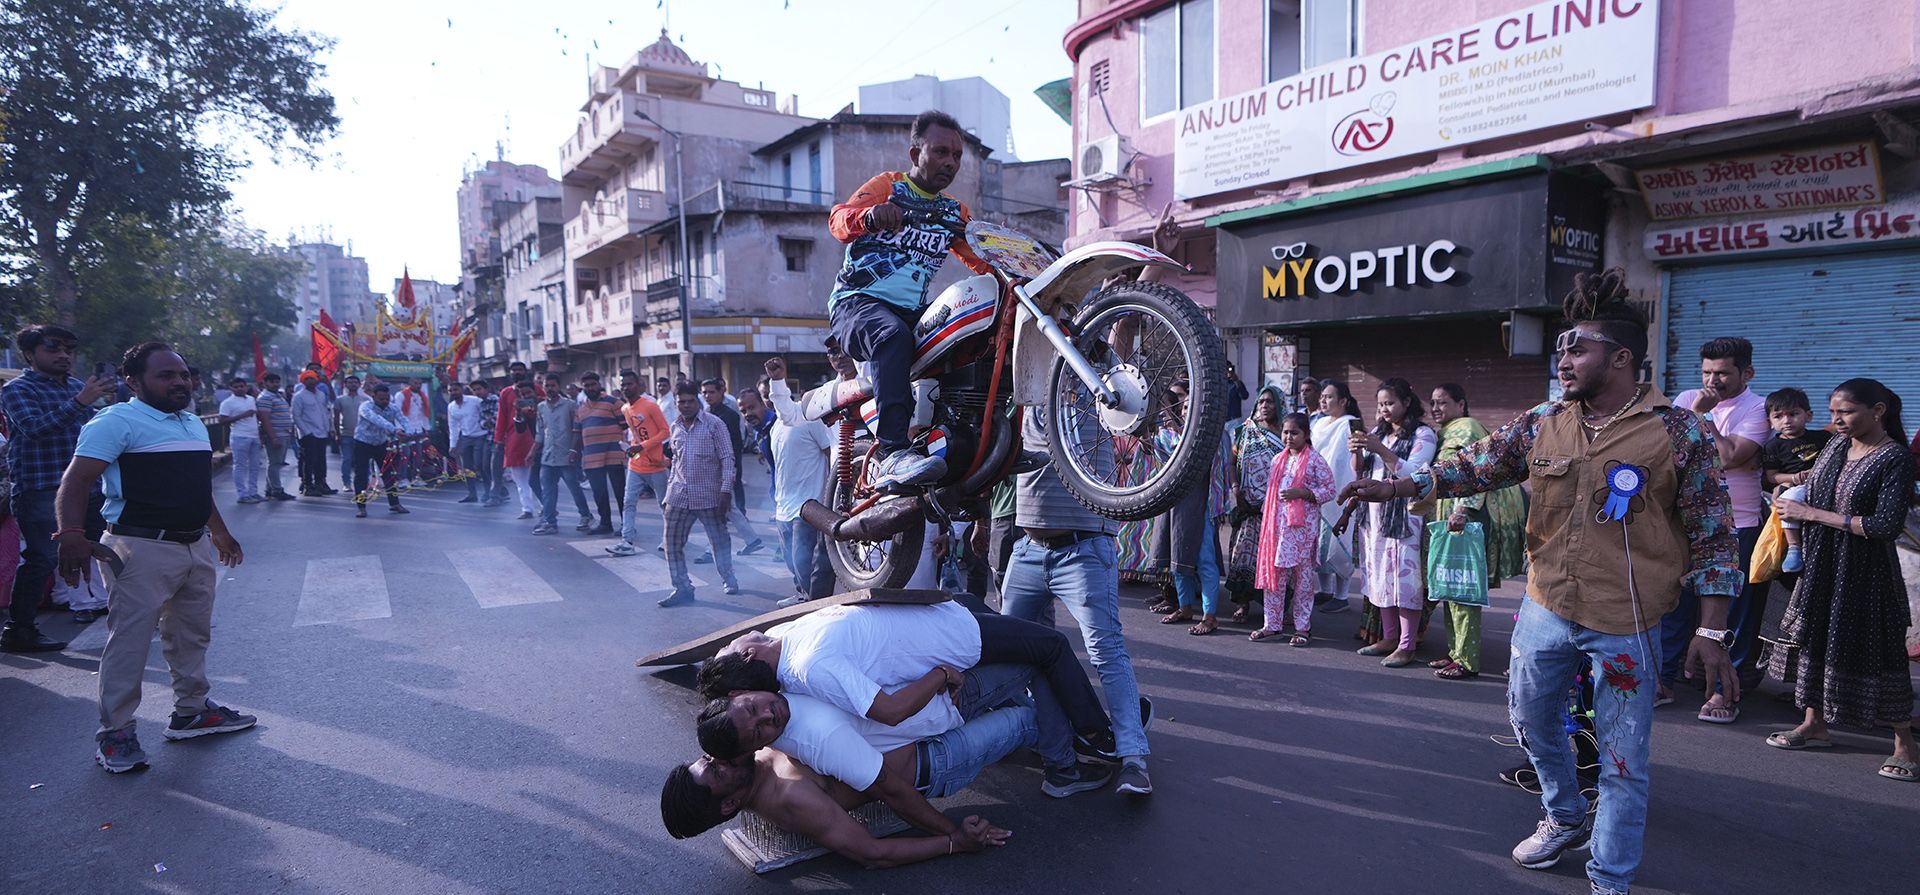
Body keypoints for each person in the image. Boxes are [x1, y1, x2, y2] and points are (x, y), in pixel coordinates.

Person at [1340, 270, 1741, 895]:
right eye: (1560, 348)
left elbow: (1715, 536)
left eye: (1577, 349)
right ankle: (1563, 813)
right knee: (1530, 722)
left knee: (1622, 760)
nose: (1563, 359)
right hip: (1545, 603)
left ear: (1621, 358)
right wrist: (1394, 485)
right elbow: (1476, 466)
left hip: (1625, 620)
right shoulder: (1545, 418)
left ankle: (1610, 878)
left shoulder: (1678, 432)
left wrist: (1712, 629)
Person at [54, 342, 251, 772]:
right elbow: (76, 479)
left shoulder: (193, 424)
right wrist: (70, 534)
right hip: (139, 547)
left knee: (190, 634)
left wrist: (219, 532)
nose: (179, 382)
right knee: (130, 640)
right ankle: (116, 732)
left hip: (193, 544)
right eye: (165, 375)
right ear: (133, 381)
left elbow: (197, 488)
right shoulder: (115, 421)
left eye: (182, 375)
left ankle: (191, 712)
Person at [697, 599, 1116, 794]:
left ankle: (1063, 737)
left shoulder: (779, 644)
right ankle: (1092, 739)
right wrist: (938, 676)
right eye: (734, 643)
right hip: (954, 644)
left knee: (1021, 645)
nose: (739, 633)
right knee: (1049, 648)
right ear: (748, 656)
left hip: (942, 618)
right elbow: (890, 711)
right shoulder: (811, 666)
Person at [825, 109, 993, 491]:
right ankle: (891, 453)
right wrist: (870, 217)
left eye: (956, 155)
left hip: (912, 312)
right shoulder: (889, 186)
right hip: (858, 303)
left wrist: (1016, 266)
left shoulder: (954, 212)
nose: (950, 162)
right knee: (892, 337)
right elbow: (838, 221)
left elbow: (982, 259)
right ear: (915, 154)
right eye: (940, 152)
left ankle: (979, 441)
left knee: (972, 339)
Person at [1766, 378, 1917, 783]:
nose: (1837, 421)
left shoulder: (1895, 458)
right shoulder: (1834, 446)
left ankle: (1905, 744)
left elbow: (1885, 526)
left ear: (1878, 411)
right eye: (1833, 413)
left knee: (1881, 652)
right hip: (1822, 564)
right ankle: (1814, 724)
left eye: (1846, 412)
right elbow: (1812, 491)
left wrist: (1814, 516)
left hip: (1867, 574)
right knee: (1815, 639)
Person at [1001, 402, 1154, 796]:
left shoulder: (1100, 402)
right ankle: (1050, 735)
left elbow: (1114, 348)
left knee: (1106, 651)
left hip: (1083, 551)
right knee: (1011, 652)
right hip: (1028, 550)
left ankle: (1134, 758)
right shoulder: (1029, 397)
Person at [661, 711, 1020, 866]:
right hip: (935, 757)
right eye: (716, 769)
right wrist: (954, 843)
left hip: (918, 724)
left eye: (709, 757)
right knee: (1022, 718)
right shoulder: (789, 797)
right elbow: (870, 854)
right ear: (729, 805)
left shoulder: (749, 757)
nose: (719, 757)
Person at [1661, 337, 1772, 723]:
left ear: (1747, 373)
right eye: (1707, 371)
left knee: (1730, 616)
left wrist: (1702, 416)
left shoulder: (1759, 408)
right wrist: (1696, 411)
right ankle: (1663, 681)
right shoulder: (1687, 396)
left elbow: (1726, 457)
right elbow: (1668, 450)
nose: (1713, 380)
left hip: (1737, 524)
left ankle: (1725, 693)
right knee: (1675, 606)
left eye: (1723, 372)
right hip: (1685, 522)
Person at [1, 324, 112, 652]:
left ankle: (106, 606)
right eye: (53, 349)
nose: (63, 355)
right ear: (30, 354)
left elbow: (92, 434)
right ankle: (19, 629)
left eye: (68, 349)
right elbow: (34, 428)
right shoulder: (17, 390)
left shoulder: (77, 387)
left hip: (85, 486)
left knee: (99, 546)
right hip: (41, 488)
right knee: (41, 558)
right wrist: (80, 402)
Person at [1427, 383, 1528, 680]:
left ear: (1461, 404)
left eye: (1443, 402)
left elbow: (1476, 472)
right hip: (1450, 519)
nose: (1436, 408)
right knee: (1450, 587)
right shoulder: (1448, 431)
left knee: (1464, 590)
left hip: (1465, 519)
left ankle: (1467, 660)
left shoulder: (1466, 429)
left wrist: (1462, 509)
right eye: (1433, 402)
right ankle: (1455, 651)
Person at [1350, 377, 1438, 667]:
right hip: (1375, 518)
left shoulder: (1424, 434)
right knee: (1379, 577)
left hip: (1406, 517)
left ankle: (1406, 644)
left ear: (1407, 403)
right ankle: (1388, 638)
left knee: (1404, 581)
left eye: (1389, 403)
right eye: (1380, 404)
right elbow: (1360, 470)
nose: (1384, 409)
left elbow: (1414, 472)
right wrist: (1358, 450)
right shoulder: (1379, 433)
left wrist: (1379, 449)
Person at [1251, 412, 1335, 644]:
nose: (1289, 437)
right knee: (1275, 578)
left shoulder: (1316, 461)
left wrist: (1304, 494)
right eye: (1286, 432)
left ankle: (1302, 628)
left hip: (1302, 532)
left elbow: (1330, 489)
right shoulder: (1279, 459)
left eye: (1294, 432)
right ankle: (1272, 624)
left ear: (1306, 435)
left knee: (1303, 581)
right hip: (1276, 530)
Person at [1159, 381, 1232, 636]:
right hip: (1176, 502)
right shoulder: (1170, 434)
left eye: (1191, 406)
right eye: (1183, 407)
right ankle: (1185, 607)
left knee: (1204, 560)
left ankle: (1210, 616)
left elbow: (1210, 464)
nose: (1185, 411)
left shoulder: (1213, 433)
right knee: (1177, 558)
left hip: (1203, 502)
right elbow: (1161, 453)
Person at [760, 357, 834, 604]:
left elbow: (830, 456)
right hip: (783, 505)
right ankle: (803, 597)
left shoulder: (810, 419)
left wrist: (830, 497)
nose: (770, 400)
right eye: (767, 396)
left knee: (804, 563)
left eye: (774, 394)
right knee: (792, 563)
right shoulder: (775, 427)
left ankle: (814, 608)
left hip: (807, 507)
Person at [662, 382, 739, 606]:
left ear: (698, 401)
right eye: (681, 402)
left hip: (710, 496)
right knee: (671, 544)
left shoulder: (715, 424)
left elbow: (727, 458)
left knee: (719, 541)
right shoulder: (674, 426)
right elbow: (675, 460)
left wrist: (726, 491)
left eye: (690, 401)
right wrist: (669, 489)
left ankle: (728, 578)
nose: (686, 406)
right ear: (676, 403)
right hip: (678, 495)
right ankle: (682, 588)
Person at [1226, 387, 1287, 622]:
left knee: (1276, 560)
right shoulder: (1244, 432)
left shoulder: (1287, 434)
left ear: (1279, 404)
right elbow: (1232, 463)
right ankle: (1243, 603)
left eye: (1270, 401)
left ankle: (1278, 607)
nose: (1264, 405)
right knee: (1242, 555)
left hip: (1276, 510)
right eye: (1261, 401)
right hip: (1247, 507)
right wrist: (1235, 489)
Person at [1759, 387, 1833, 573]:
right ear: (1769, 421)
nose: (1787, 421)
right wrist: (1794, 478)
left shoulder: (1822, 438)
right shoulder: (1772, 446)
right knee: (1788, 499)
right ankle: (1794, 547)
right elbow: (1772, 476)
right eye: (1778, 416)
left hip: (1825, 486)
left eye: (1793, 414)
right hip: (1796, 487)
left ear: (1808, 415)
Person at [698, 377, 765, 559]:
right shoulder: (705, 413)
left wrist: (731, 470)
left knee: (716, 509)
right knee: (729, 508)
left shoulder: (729, 415)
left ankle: (710, 549)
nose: (707, 396)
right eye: (704, 392)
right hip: (710, 468)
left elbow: (734, 445)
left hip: (724, 468)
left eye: (711, 392)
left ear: (721, 392)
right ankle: (752, 540)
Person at [1309, 380, 1361, 613]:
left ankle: (1342, 595)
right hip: (1318, 490)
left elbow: (1356, 458)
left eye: (1329, 397)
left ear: (1343, 401)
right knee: (1319, 543)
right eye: (1323, 396)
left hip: (1340, 489)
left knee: (1339, 542)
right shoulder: (1318, 424)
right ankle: (1326, 590)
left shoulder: (1349, 425)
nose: (1324, 400)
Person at [532, 373, 594, 535]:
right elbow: (540, 433)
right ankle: (550, 521)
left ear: (558, 386)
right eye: (547, 386)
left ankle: (586, 515)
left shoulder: (570, 405)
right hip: (547, 456)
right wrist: (532, 452)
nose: (549, 389)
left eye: (553, 385)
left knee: (574, 488)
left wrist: (575, 450)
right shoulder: (541, 407)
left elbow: (577, 429)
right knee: (548, 490)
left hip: (566, 456)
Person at [348, 383, 409, 518]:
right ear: (373, 396)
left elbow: (403, 419)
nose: (385, 402)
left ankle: (394, 504)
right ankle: (361, 507)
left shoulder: (392, 407)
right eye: (381, 399)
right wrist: (394, 429)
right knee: (361, 476)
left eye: (387, 399)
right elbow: (377, 420)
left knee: (389, 474)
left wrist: (408, 431)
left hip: (381, 443)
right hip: (363, 443)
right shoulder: (365, 407)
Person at [575, 372, 625, 534]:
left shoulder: (614, 403)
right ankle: (605, 523)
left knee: (620, 492)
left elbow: (626, 426)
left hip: (614, 455)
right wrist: (574, 452)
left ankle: (627, 524)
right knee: (599, 492)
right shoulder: (581, 408)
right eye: (587, 386)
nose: (590, 388)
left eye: (593, 384)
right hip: (591, 457)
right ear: (583, 388)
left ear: (599, 384)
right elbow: (577, 432)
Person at [217, 376, 263, 504]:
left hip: (254, 436)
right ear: (231, 388)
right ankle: (242, 494)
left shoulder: (251, 399)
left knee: (254, 466)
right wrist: (242, 415)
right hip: (239, 437)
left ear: (246, 387)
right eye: (236, 387)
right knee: (240, 466)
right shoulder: (227, 403)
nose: (239, 389)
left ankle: (253, 492)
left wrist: (259, 435)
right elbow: (222, 420)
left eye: (241, 386)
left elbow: (255, 418)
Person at [292, 371, 335, 496]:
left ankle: (320, 484)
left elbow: (325, 413)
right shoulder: (299, 396)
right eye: (307, 379)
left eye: (313, 379)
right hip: (308, 434)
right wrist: (306, 432)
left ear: (317, 380)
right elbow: (296, 416)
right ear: (303, 381)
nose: (311, 381)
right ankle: (307, 486)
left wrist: (328, 429)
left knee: (321, 460)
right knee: (308, 461)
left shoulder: (321, 394)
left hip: (322, 432)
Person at [253, 373, 295, 501]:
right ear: (265, 383)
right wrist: (273, 437)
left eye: (277, 382)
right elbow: (265, 419)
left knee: (275, 463)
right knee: (275, 463)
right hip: (276, 435)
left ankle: (270, 489)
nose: (275, 384)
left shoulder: (278, 396)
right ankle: (277, 490)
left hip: (283, 433)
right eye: (272, 382)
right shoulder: (265, 397)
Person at [500, 387, 540, 519]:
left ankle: (547, 507)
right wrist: (498, 438)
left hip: (539, 445)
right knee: (520, 480)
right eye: (523, 394)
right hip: (514, 442)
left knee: (539, 480)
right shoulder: (506, 394)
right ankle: (527, 508)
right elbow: (502, 418)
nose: (526, 396)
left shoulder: (543, 405)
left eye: (528, 393)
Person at [469, 379, 502, 506]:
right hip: (488, 437)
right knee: (483, 466)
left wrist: (489, 421)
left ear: (486, 389)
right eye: (474, 390)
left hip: (498, 438)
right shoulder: (481, 404)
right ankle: (496, 492)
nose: (477, 392)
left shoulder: (496, 400)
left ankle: (495, 496)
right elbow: (482, 422)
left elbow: (498, 418)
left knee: (494, 468)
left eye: (479, 389)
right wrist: (487, 421)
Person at [332, 375, 363, 492]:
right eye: (350, 382)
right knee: (347, 460)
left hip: (362, 436)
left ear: (359, 385)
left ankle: (362, 482)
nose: (353, 384)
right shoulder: (340, 400)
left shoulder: (366, 400)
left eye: (355, 382)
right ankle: (346, 483)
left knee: (362, 460)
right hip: (346, 434)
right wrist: (337, 433)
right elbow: (335, 418)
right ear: (345, 385)